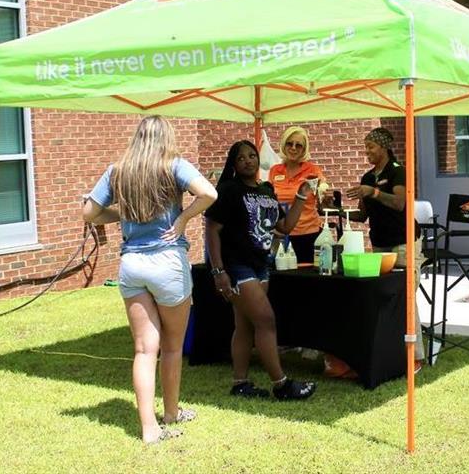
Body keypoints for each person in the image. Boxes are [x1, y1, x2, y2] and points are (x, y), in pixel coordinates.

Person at [83, 116, 217, 444]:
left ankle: (149, 428)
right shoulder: (173, 165)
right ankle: (170, 413)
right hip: (167, 262)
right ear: (166, 137)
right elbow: (209, 193)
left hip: (132, 265)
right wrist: (184, 218)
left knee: (144, 350)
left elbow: (88, 213)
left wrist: (120, 214)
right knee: (171, 347)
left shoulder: (118, 171)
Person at [204, 140, 317, 400]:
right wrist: (218, 271)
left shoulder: (267, 190)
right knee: (266, 321)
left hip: (260, 264)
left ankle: (240, 383)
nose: (248, 160)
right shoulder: (229, 190)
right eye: (241, 157)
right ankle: (282, 385)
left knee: (245, 326)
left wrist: (301, 195)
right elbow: (212, 229)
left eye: (252, 155)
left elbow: (285, 226)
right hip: (236, 266)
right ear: (233, 163)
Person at [346, 126, 425, 373]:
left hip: (403, 242)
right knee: (383, 297)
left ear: (384, 147)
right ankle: (388, 351)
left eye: (370, 146)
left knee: (405, 297)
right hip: (379, 244)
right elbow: (362, 214)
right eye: (365, 146)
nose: (366, 151)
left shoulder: (398, 172)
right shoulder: (367, 178)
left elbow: (400, 203)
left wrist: (376, 192)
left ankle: (415, 357)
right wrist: (336, 209)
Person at [268, 126, 332, 263]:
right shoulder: (275, 171)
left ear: (304, 149)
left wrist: (324, 194)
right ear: (283, 145)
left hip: (308, 234)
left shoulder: (312, 170)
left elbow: (322, 189)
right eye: (290, 143)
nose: (293, 148)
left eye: (299, 145)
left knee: (307, 279)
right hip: (281, 235)